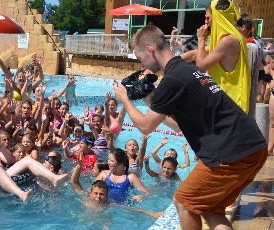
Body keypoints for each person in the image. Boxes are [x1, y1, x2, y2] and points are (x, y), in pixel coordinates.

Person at [114, 25, 267, 230]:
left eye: (140, 58)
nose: (142, 64)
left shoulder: (172, 79)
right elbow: (177, 127)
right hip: (253, 146)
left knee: (184, 203)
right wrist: (151, 102)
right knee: (211, 210)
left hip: (229, 150)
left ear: (150, 49)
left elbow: (145, 127)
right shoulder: (189, 70)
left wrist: (124, 99)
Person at [181, 0, 251, 114]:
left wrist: (201, 39)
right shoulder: (230, 39)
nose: (206, 22)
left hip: (230, 106)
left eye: (208, 18)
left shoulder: (229, 41)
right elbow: (194, 54)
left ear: (218, 18)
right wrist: (171, 60)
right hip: (225, 104)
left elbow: (200, 66)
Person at [0, 131, 69, 201]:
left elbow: (11, 161)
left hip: (4, 173)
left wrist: (1, 147)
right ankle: (21, 194)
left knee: (27, 159)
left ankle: (54, 178)